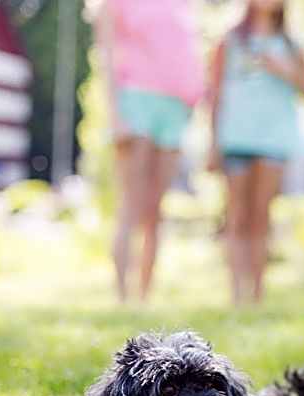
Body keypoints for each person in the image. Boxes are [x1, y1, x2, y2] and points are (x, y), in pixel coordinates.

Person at [207, 0, 304, 306]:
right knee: (236, 215)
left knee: (261, 216)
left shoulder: (292, 45)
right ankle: (235, 293)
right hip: (236, 137)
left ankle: (256, 294)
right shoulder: (229, 41)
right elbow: (215, 94)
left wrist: (284, 71)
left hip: (274, 140)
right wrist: (212, 143)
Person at [95, 0, 204, 303]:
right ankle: (122, 297)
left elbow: (186, 52)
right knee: (130, 205)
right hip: (136, 100)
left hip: (175, 107)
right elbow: (106, 56)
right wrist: (116, 116)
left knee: (156, 210)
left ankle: (144, 298)